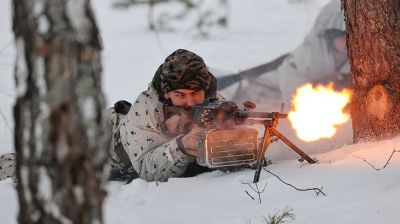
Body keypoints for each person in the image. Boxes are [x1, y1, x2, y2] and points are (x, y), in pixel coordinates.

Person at [107, 49, 218, 182]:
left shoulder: (212, 102)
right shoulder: (147, 108)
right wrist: (182, 147)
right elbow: (145, 168)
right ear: (167, 93)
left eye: (195, 93)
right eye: (180, 95)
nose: (190, 102)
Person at [218, 0, 349, 110]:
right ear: (330, 35)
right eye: (342, 36)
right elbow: (295, 101)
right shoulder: (305, 59)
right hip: (263, 99)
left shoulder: (350, 57)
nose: (347, 41)